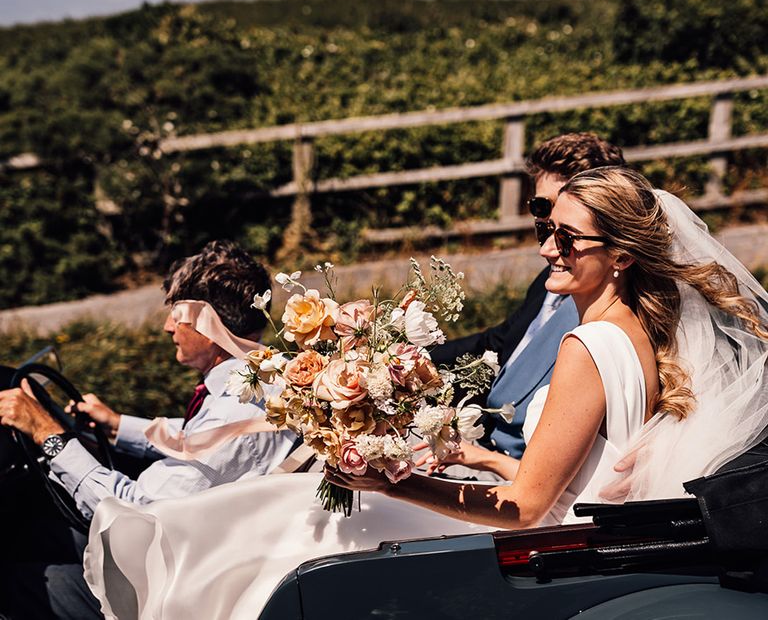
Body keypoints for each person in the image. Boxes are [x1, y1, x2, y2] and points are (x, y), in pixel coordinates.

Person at [82, 168, 768, 619]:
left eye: (568, 237)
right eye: (545, 230)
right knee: (290, 505)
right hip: (576, 524)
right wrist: (489, 460)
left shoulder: (584, 347)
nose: (547, 249)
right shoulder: (643, 329)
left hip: (541, 545)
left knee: (295, 519)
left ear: (620, 254)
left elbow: (526, 511)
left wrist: (390, 485)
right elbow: (588, 464)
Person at [0, 240, 299, 620]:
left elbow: (131, 515)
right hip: (211, 551)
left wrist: (48, 435)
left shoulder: (235, 411)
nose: (166, 326)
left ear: (206, 324)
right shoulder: (263, 380)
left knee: (12, 580)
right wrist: (117, 425)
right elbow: (201, 441)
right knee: (38, 534)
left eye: (176, 314)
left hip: (171, 584)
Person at [431, 132, 625, 466]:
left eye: (559, 209)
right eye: (539, 206)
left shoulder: (604, 320)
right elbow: (499, 341)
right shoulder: (548, 281)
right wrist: (407, 356)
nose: (545, 231)